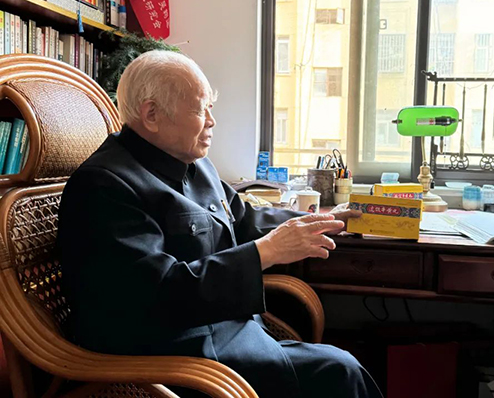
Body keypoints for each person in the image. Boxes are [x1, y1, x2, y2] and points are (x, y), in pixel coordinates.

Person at [58, 50, 382, 398]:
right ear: (152, 114)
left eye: (211, 108)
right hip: (174, 354)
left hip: (227, 332)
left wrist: (320, 221)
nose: (212, 121)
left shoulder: (195, 164)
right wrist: (265, 252)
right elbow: (156, 293)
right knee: (340, 371)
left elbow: (243, 219)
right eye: (201, 110)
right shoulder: (105, 185)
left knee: (339, 365)